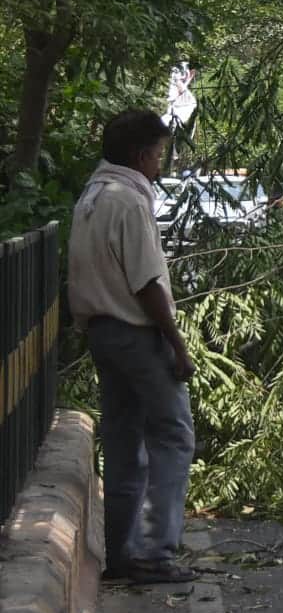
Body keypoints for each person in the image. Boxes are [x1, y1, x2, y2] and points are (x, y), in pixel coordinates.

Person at [69, 110, 198, 585]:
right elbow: (146, 284)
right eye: (159, 155)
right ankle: (153, 551)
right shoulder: (128, 200)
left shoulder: (93, 195)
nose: (161, 164)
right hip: (136, 333)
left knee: (124, 441)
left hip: (102, 332)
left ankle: (122, 552)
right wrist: (177, 346)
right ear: (141, 155)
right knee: (172, 434)